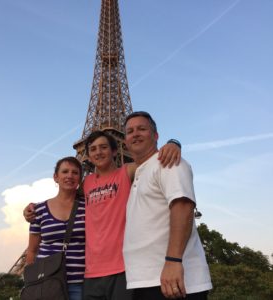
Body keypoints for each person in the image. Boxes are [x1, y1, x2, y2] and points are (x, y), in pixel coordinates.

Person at [24, 133, 181, 300]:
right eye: (92, 149)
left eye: (103, 147)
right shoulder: (85, 185)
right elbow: (32, 250)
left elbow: (149, 164)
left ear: (115, 151)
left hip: (110, 271)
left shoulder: (124, 173)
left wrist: (173, 143)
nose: (69, 176)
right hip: (71, 277)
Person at [123, 111, 212, 300]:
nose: (135, 133)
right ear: (125, 142)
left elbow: (183, 207)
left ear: (155, 136)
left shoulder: (167, 161)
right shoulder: (139, 173)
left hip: (173, 280)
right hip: (146, 280)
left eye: (141, 129)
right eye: (130, 131)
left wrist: (173, 260)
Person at [25, 157, 85, 300]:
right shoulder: (38, 210)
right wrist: (30, 283)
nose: (70, 176)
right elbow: (32, 250)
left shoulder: (89, 207)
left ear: (80, 178)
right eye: (65, 172)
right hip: (46, 284)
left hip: (79, 283)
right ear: (56, 177)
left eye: (75, 173)